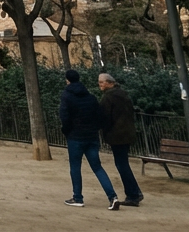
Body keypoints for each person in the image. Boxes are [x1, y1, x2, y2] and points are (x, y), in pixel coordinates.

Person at [60, 69, 120, 209]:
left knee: (75, 167)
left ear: (67, 80)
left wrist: (66, 131)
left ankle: (78, 197)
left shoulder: (67, 96)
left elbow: (64, 117)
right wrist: (95, 128)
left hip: (75, 136)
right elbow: (100, 115)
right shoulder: (90, 97)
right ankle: (112, 196)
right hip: (91, 136)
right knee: (97, 167)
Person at [98, 73, 143, 206]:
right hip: (127, 133)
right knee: (123, 164)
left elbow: (104, 116)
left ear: (110, 83)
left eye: (102, 82)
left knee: (122, 165)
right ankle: (134, 192)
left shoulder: (108, 97)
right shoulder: (123, 94)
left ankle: (133, 194)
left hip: (117, 135)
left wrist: (102, 129)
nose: (100, 84)